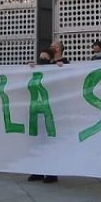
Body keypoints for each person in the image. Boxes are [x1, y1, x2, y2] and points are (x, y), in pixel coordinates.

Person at [29, 42, 68, 183]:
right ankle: (38, 170)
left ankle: (51, 172)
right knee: (38, 141)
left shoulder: (65, 64)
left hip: (54, 109)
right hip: (39, 108)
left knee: (51, 141)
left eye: (55, 46)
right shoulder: (41, 66)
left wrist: (60, 69)